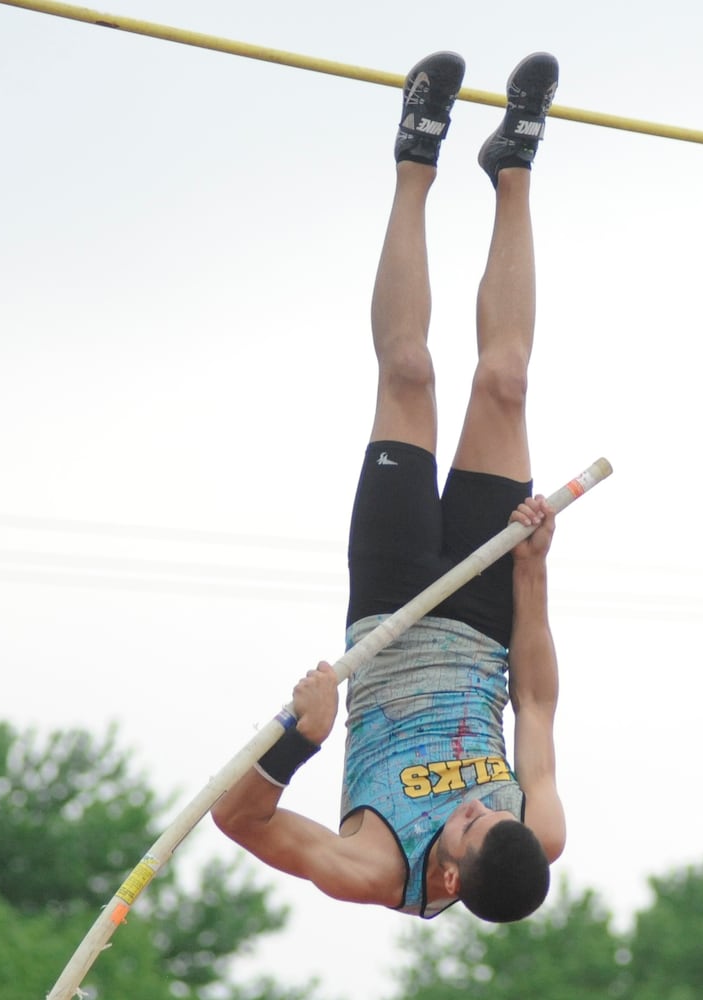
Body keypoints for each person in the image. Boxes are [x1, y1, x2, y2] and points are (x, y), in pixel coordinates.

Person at [211, 50, 565, 923]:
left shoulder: (376, 866)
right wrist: (533, 568)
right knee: (505, 383)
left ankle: (415, 158)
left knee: (408, 373)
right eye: (494, 810)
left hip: (391, 605)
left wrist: (301, 738)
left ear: (449, 879)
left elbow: (236, 819)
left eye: (474, 826)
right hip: (485, 614)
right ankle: (513, 167)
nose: (482, 807)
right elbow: (536, 699)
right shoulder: (534, 830)